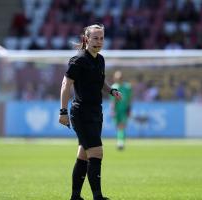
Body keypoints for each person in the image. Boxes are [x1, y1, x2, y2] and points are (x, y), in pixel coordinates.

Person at [59, 24, 121, 200]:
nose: (99, 41)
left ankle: (75, 196)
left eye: (101, 38)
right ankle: (98, 197)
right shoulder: (77, 60)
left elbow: (100, 81)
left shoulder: (100, 59)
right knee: (97, 152)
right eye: (95, 38)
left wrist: (111, 90)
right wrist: (63, 111)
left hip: (96, 112)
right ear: (86, 39)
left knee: (84, 154)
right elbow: (65, 85)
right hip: (81, 113)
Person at [110, 70, 132, 150]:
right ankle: (120, 140)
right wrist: (112, 110)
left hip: (124, 109)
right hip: (117, 110)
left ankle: (120, 142)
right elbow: (112, 100)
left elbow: (129, 99)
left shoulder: (127, 87)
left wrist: (129, 109)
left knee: (122, 126)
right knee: (118, 126)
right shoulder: (113, 87)